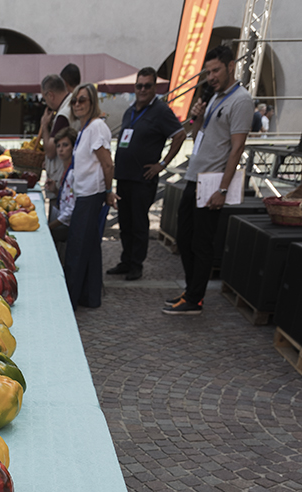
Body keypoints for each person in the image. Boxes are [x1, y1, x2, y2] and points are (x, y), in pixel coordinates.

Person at [163, 45, 253, 316]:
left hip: (212, 183)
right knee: (185, 238)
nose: (211, 76)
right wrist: (199, 118)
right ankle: (192, 290)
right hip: (194, 177)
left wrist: (223, 189)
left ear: (230, 66)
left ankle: (195, 299)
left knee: (201, 243)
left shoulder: (241, 100)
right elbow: (197, 137)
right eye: (208, 72)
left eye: (215, 70)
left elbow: (237, 149)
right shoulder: (214, 97)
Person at [107, 67, 185, 281]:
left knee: (139, 224)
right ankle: (126, 260)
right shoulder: (129, 111)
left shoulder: (161, 111)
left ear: (154, 88)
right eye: (139, 85)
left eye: (147, 86)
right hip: (124, 176)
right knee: (125, 223)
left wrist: (162, 164)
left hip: (143, 179)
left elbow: (179, 135)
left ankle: (136, 264)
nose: (142, 89)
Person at [63, 83, 117, 309]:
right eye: (75, 100)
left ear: (92, 102)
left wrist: (107, 192)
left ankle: (70, 301)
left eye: (82, 100)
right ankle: (89, 297)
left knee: (76, 250)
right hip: (84, 195)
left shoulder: (96, 127)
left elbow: (107, 163)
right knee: (90, 249)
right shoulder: (86, 128)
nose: (77, 104)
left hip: (91, 196)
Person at [47, 127, 77, 263]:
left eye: (65, 145)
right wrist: (55, 190)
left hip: (69, 226)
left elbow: (70, 211)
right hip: (63, 220)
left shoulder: (73, 172)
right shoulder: (65, 169)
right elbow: (68, 199)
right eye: (58, 146)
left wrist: (50, 226)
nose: (60, 149)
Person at [39, 75, 70, 199]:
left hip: (61, 183)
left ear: (50, 95)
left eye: (44, 98)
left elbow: (51, 151)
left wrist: (45, 125)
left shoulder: (63, 114)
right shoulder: (66, 107)